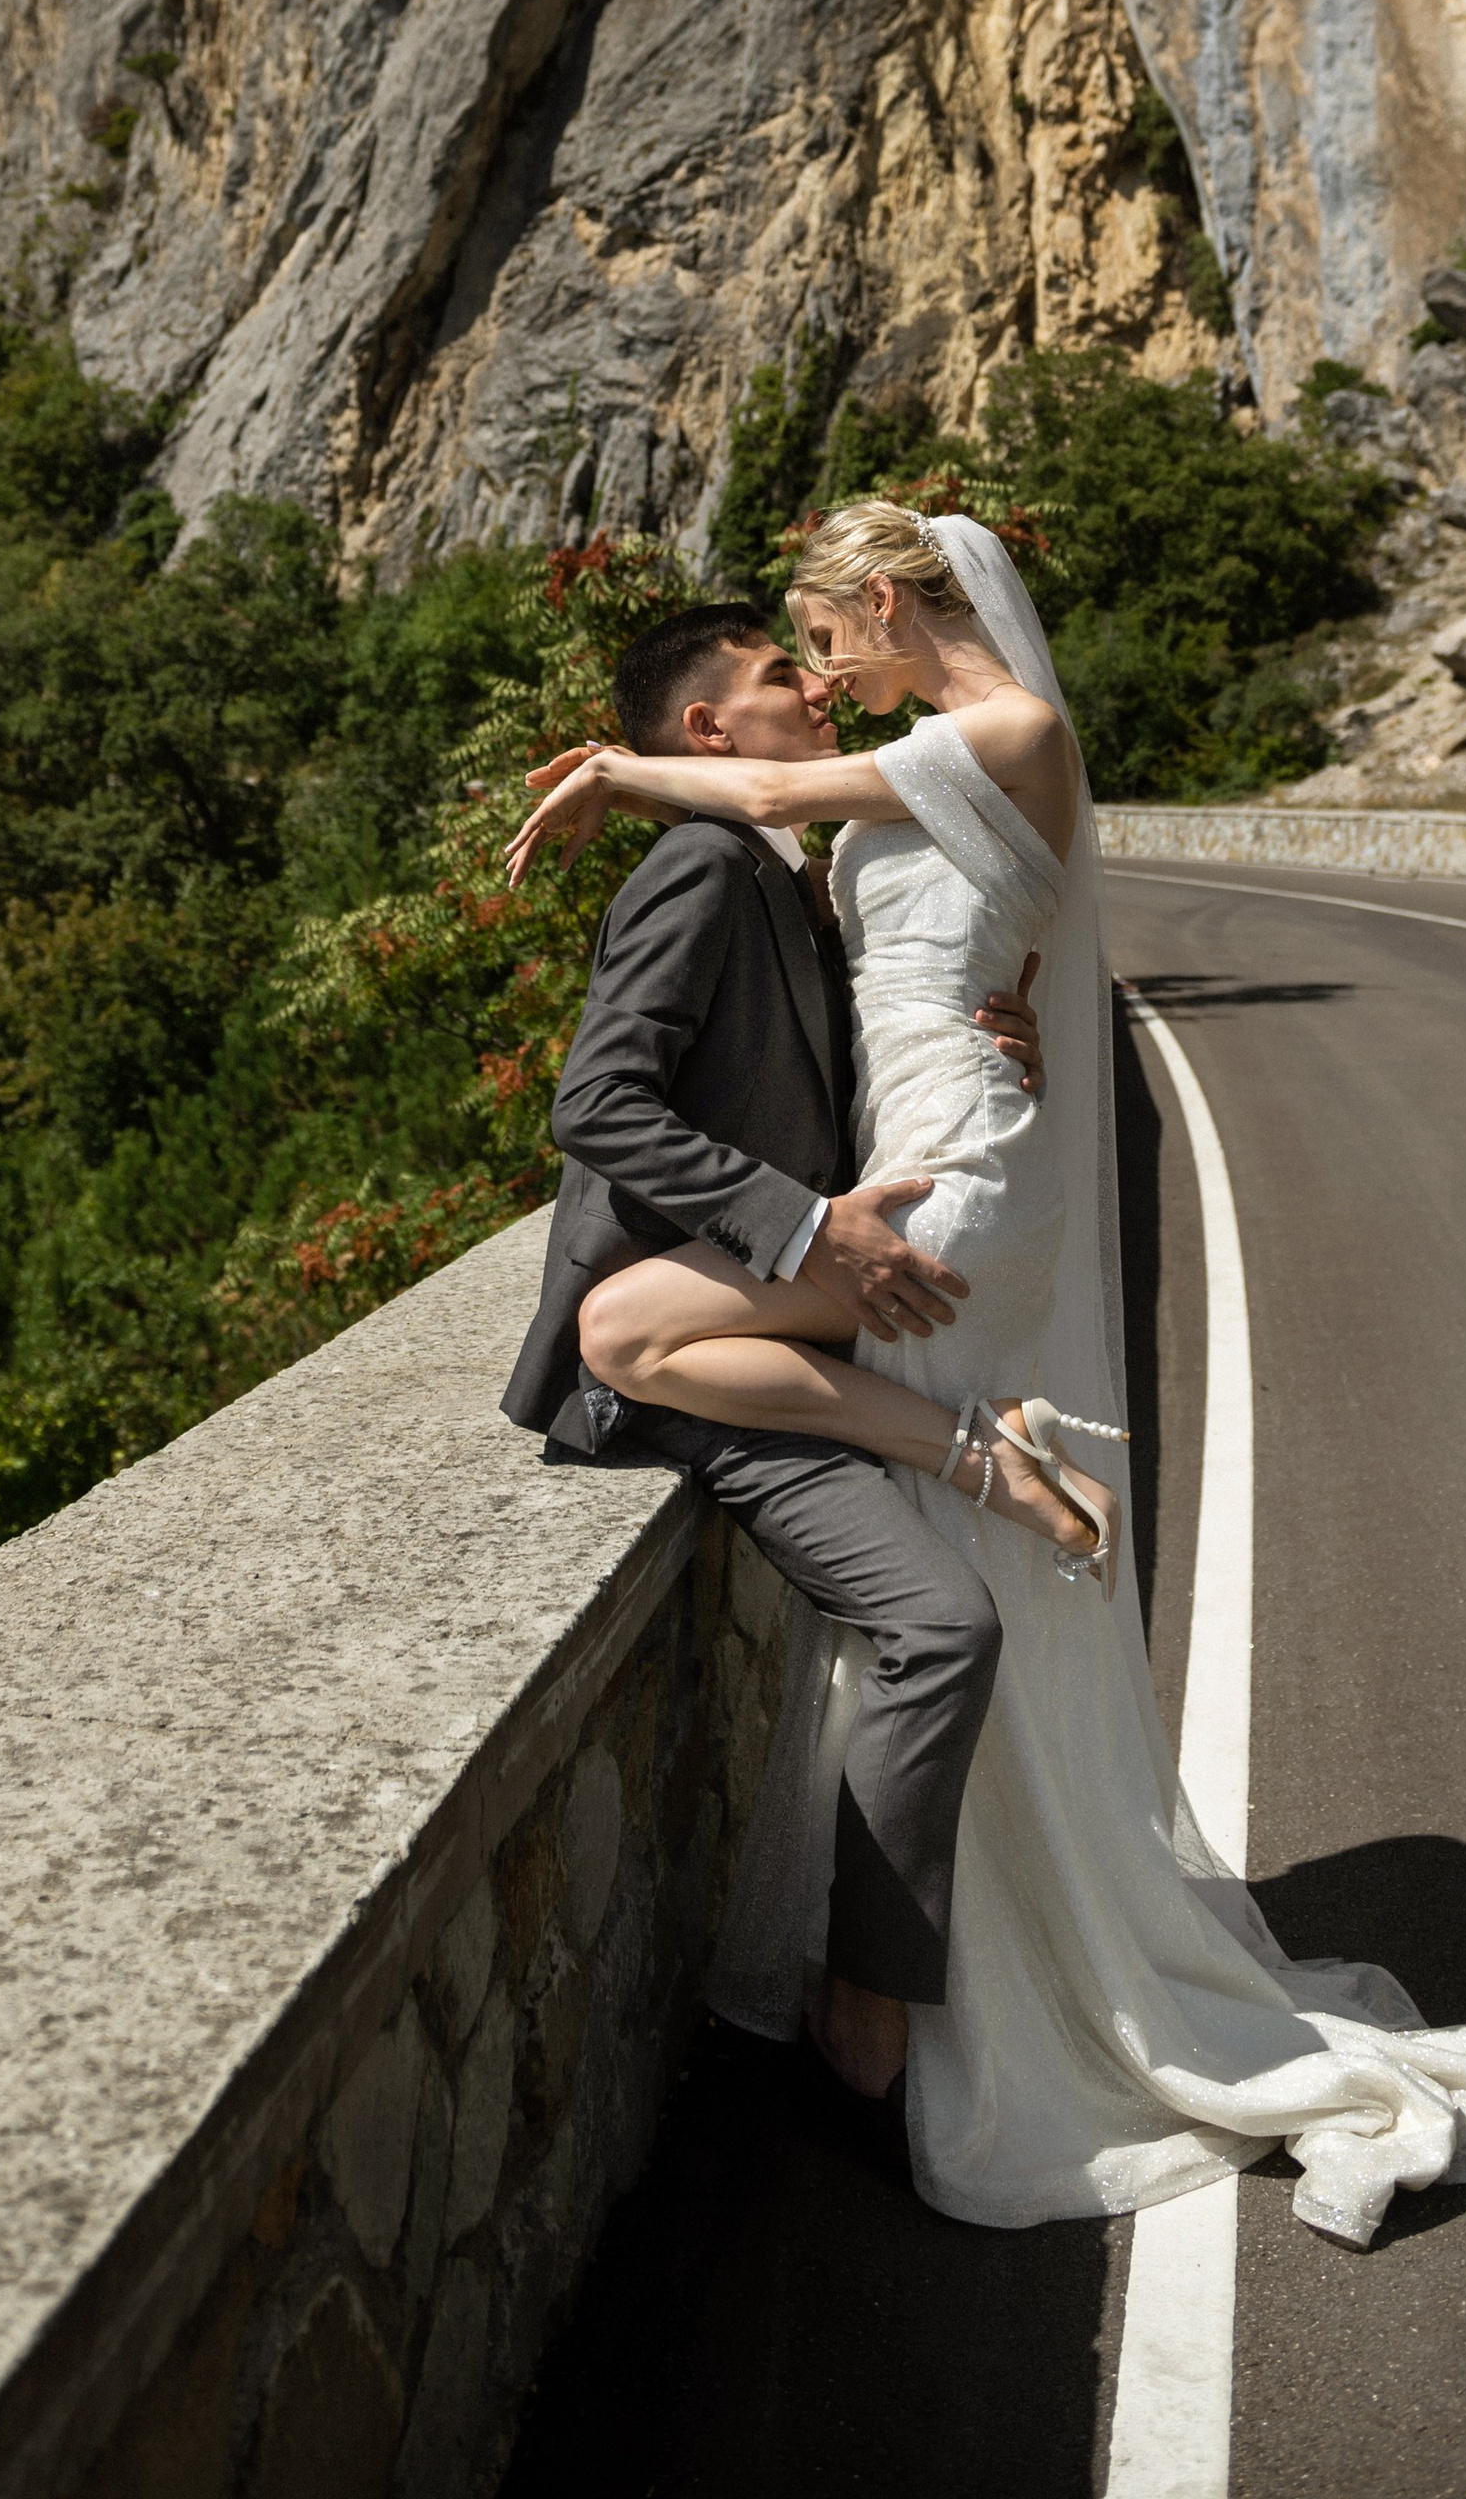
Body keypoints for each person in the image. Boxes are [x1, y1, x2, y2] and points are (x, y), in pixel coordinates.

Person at [506, 505, 1466, 2246]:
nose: (823, 676)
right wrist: (978, 1024)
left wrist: (620, 774)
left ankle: (975, 1467)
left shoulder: (1001, 730)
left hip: (949, 1181)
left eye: (822, 640)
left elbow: (774, 798)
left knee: (631, 1334)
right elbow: (936, 952)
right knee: (952, 1594)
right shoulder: (941, 758)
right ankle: (974, 1963)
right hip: (943, 1143)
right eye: (796, 662)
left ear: (885, 603)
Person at [500, 599, 1055, 2107]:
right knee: (945, 1626)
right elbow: (595, 1105)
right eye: (773, 677)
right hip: (685, 1354)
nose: (815, 689)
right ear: (709, 731)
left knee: (948, 1631)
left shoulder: (788, 870)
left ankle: (863, 2001)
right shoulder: (701, 866)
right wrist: (806, 1230)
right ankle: (864, 2034)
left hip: (782, 1323)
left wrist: (1002, 1040)